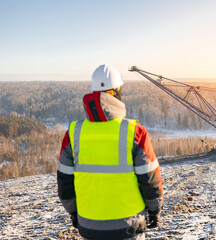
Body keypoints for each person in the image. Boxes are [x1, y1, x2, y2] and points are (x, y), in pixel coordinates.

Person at [57, 64, 164, 240]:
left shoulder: (73, 133)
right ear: (117, 92)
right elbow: (150, 179)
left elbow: (64, 182)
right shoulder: (135, 132)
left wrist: (74, 212)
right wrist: (154, 210)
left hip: (89, 225)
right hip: (130, 226)